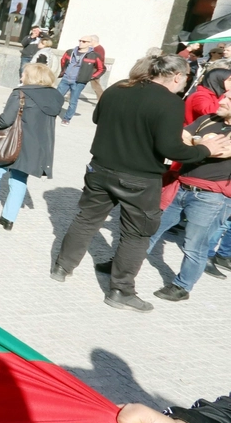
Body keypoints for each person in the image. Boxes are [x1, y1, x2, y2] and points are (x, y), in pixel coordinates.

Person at [51, 55, 231, 311]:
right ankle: (120, 291)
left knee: (87, 219)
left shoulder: (118, 87)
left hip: (101, 168)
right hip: (139, 178)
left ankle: (62, 266)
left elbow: (97, 118)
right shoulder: (170, 102)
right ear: (178, 76)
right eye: (186, 79)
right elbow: (171, 148)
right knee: (136, 234)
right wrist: (205, 149)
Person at [144, 92, 231, 302]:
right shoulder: (208, 119)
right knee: (149, 229)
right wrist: (203, 142)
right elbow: (180, 137)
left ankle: (182, 287)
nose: (221, 100)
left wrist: (194, 143)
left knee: (195, 245)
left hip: (211, 198)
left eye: (229, 99)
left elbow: (224, 151)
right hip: (180, 187)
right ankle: (124, 264)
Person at [0, 62, 63, 230]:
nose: (21, 77)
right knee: (19, 179)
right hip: (36, 147)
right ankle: (8, 219)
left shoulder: (21, 93)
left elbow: (6, 120)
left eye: (24, 74)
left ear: (31, 77)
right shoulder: (56, 97)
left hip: (13, 142)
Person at [58, 34, 107, 124]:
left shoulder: (94, 55)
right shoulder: (70, 52)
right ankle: (53, 112)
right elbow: (63, 61)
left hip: (79, 82)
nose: (81, 43)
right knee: (57, 97)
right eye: (80, 41)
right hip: (66, 78)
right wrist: (64, 71)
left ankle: (66, 119)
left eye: (84, 41)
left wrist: (91, 77)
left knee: (73, 101)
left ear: (89, 43)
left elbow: (102, 68)